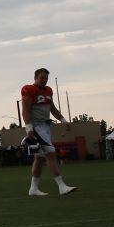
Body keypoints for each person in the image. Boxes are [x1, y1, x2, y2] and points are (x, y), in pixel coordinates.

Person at [22, 68, 78, 196]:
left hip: (45, 127)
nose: (44, 80)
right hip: (36, 127)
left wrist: (64, 121)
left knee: (39, 158)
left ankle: (33, 189)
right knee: (51, 154)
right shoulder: (29, 89)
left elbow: (52, 108)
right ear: (35, 77)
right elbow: (25, 110)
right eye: (42, 77)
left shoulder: (48, 90)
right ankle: (61, 186)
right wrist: (29, 128)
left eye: (46, 78)